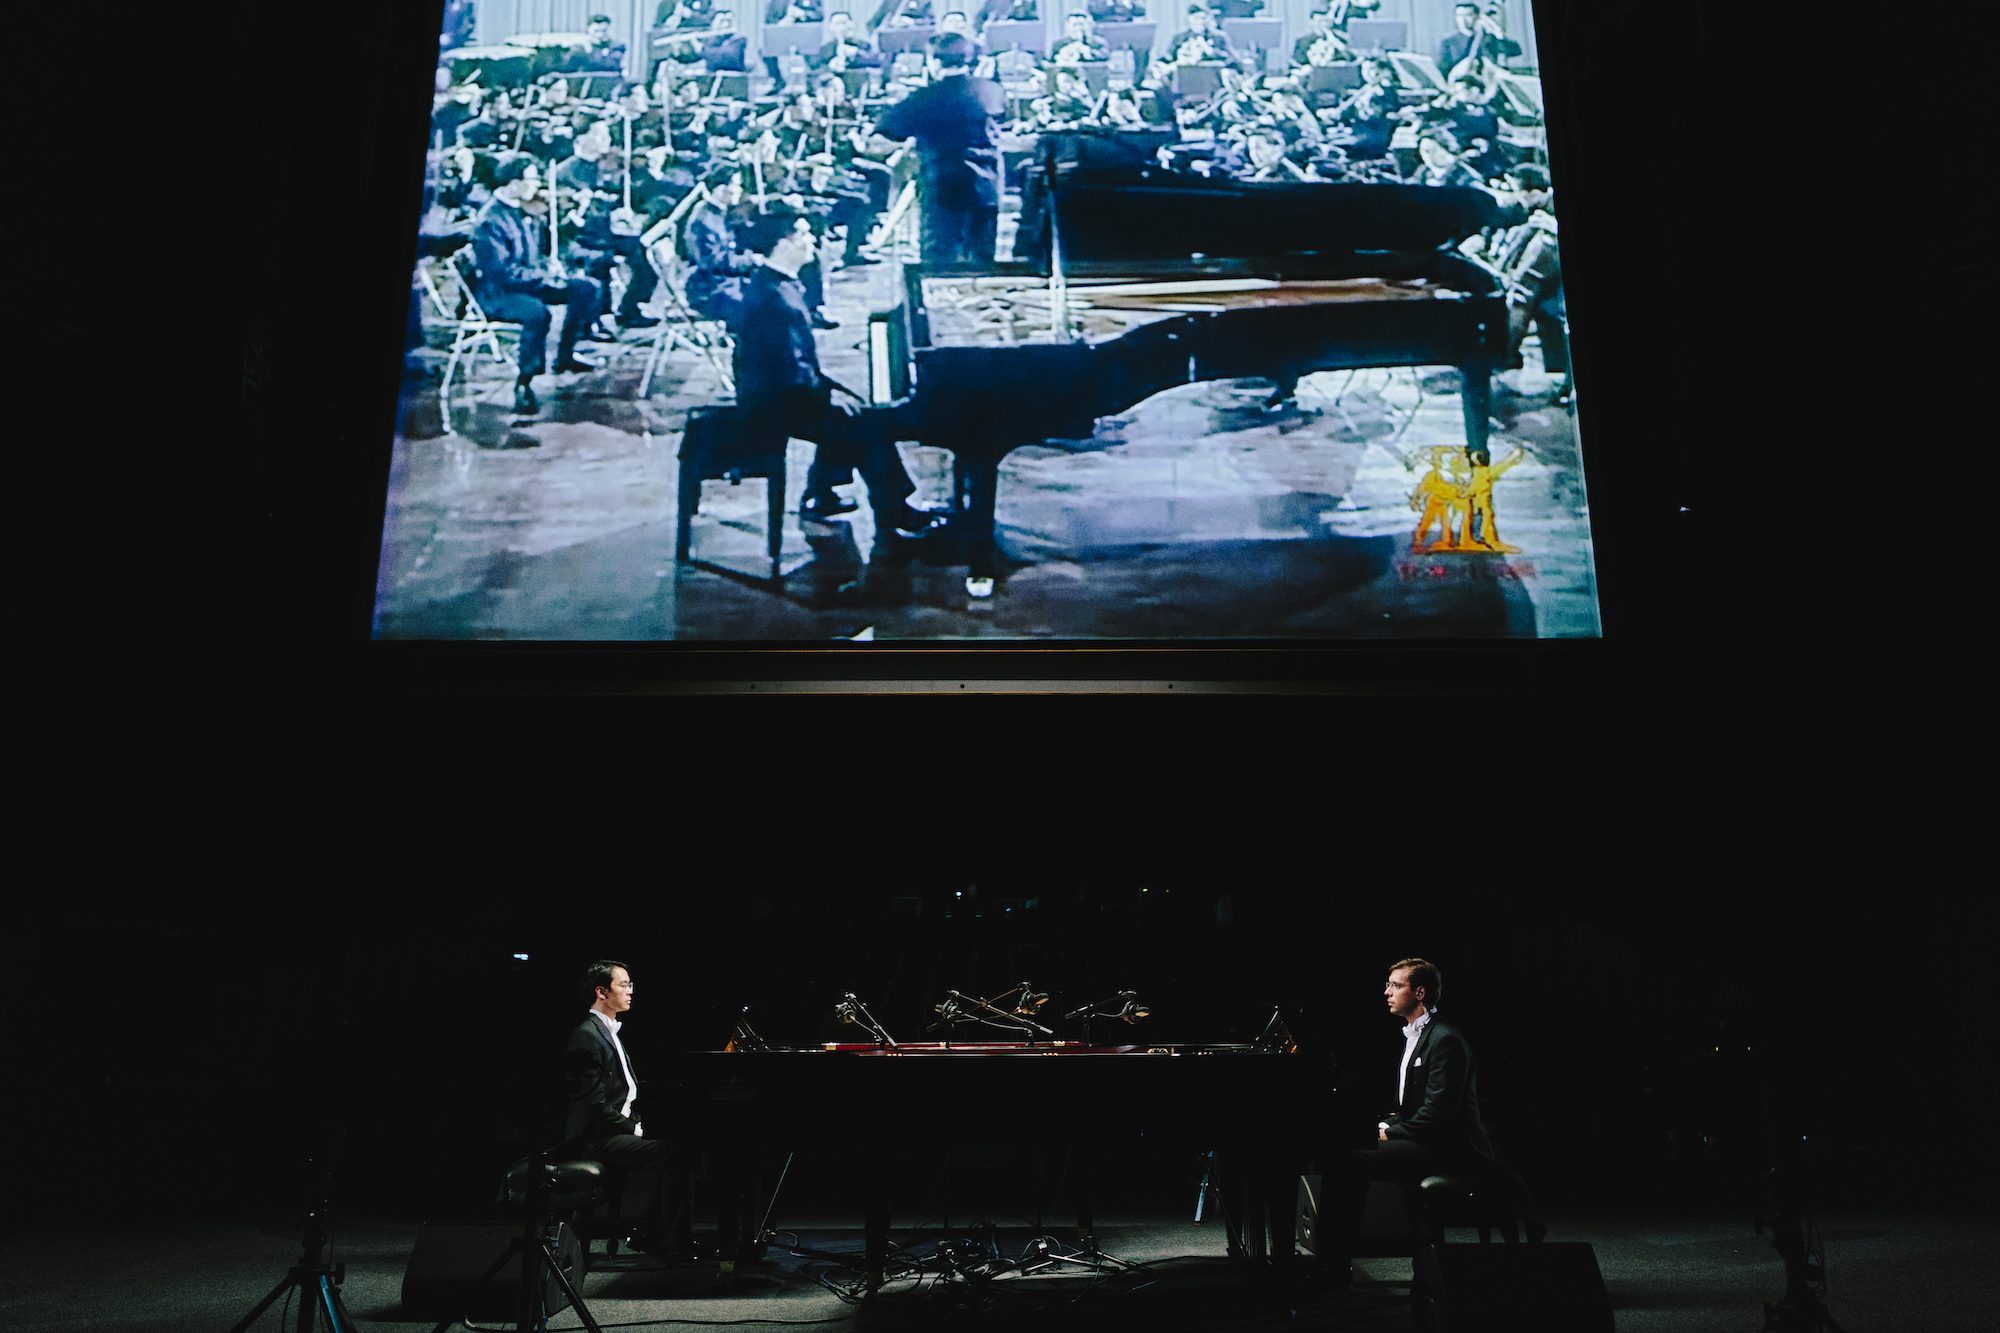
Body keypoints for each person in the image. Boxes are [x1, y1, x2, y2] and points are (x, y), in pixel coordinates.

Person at [1321, 959, 1539, 1287]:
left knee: (1351, 1160)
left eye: (1395, 985)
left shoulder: (1445, 1039)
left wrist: (1387, 1132)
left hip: (1449, 1148)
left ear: (1419, 992)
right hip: (1426, 1139)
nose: (1387, 992)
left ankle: (1334, 1269)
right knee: (1345, 1150)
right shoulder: (1416, 1037)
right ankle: (1333, 1264)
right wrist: (1383, 1125)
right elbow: (1411, 1108)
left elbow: (1437, 1115)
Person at [732, 209, 950, 536]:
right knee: (864, 422)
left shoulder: (776, 284)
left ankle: (822, 492)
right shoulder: (774, 298)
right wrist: (826, 394)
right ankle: (895, 509)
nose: (812, 241)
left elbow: (794, 364)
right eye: (804, 234)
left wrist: (831, 390)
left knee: (853, 405)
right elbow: (788, 370)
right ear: (782, 243)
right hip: (771, 401)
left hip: (780, 387)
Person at [561, 962, 691, 1261]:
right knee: (674, 1151)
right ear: (601, 992)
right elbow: (593, 1106)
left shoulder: (607, 1031)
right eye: (624, 985)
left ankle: (648, 1232)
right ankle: (668, 1240)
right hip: (593, 1138)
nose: (631, 991)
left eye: (631, 984)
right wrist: (635, 1129)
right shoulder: (587, 1035)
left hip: (611, 1130)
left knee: (682, 1146)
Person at [470, 155, 605, 414]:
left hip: (527, 280)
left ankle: (565, 355)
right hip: (499, 293)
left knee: (585, 288)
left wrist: (549, 266)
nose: (538, 186)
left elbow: (536, 254)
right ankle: (525, 382)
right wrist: (543, 277)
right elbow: (501, 272)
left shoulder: (526, 210)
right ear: (514, 182)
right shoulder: (491, 220)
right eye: (532, 179)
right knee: (536, 312)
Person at [873, 32, 1005, 266]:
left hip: (943, 187)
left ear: (934, 61)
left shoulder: (924, 97)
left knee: (940, 261)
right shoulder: (992, 91)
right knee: (982, 259)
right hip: (986, 187)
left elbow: (885, 131)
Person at [683, 168, 759, 325]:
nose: (739, 190)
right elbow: (713, 263)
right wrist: (750, 260)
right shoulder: (704, 219)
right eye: (735, 185)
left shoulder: (719, 215)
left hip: (724, 284)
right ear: (720, 188)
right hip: (710, 289)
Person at [1437, 4, 1519, 84]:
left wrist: (1498, 33)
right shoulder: (1448, 42)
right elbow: (1443, 70)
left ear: (1477, 16)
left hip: (1488, 85)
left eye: (1468, 15)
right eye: (1459, 15)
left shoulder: (1488, 38)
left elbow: (1515, 51)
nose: (1463, 19)